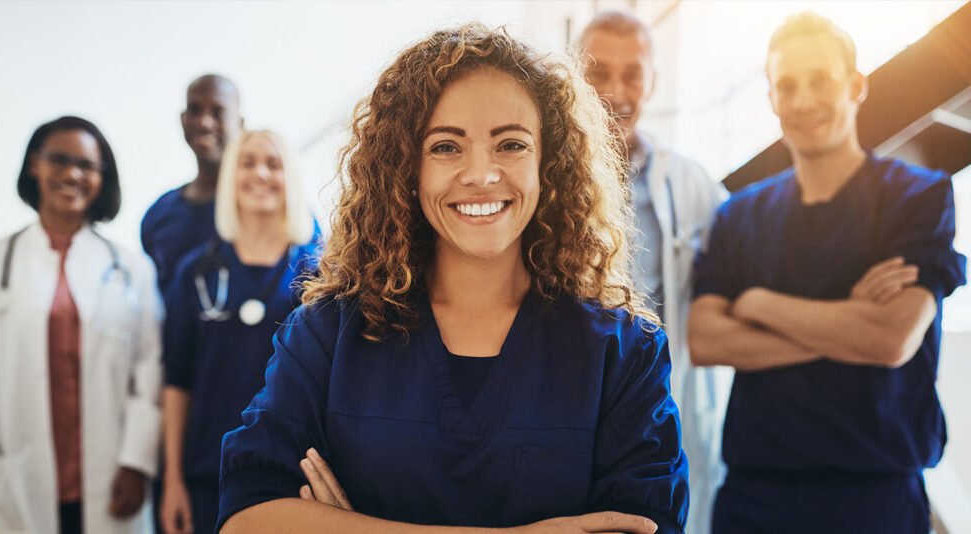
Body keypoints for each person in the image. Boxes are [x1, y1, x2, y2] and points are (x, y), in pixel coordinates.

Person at [217, 24, 688, 534]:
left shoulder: (622, 353)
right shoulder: (328, 335)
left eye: (511, 144)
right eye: (446, 147)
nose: (481, 174)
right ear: (405, 167)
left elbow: (643, 524)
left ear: (549, 163)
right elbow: (247, 516)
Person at [688, 12, 966, 534]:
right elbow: (705, 340)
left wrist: (759, 306)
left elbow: (890, 339)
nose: (804, 100)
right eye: (787, 85)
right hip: (755, 498)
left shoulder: (918, 197)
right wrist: (850, 323)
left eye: (822, 81)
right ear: (771, 99)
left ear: (856, 86)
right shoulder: (738, 215)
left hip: (876, 497)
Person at [0, 116, 163, 534]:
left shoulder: (131, 268)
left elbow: (149, 369)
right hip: (21, 483)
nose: (72, 174)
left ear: (103, 177)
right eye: (59, 160)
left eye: (87, 165)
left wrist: (136, 463)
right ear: (34, 165)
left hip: (115, 482)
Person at [578, 12, 728, 533]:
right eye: (598, 73)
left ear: (653, 82)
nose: (616, 92)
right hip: (568, 400)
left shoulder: (690, 184)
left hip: (654, 409)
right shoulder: (533, 175)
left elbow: (743, 271)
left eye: (633, 75)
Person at [158, 130, 321, 534]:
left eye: (274, 163)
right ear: (230, 176)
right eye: (247, 163)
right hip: (204, 474)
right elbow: (176, 382)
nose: (260, 174)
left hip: (289, 476)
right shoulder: (196, 271)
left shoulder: (319, 274)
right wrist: (172, 481)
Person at [141, 74, 245, 293]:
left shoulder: (270, 209)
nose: (204, 123)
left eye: (218, 112)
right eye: (195, 110)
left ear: (240, 124)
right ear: (182, 119)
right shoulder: (158, 215)